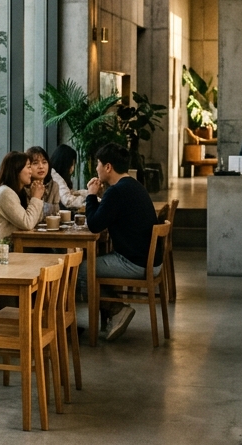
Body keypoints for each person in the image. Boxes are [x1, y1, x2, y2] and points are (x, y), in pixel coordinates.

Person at [79, 143, 160, 341]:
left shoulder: (116, 192)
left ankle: (116, 309)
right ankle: (114, 312)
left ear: (108, 167)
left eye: (98, 164)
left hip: (134, 263)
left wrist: (90, 195)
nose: (96, 168)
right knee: (93, 266)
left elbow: (95, 225)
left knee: (80, 270)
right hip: (150, 261)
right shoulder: (133, 185)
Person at [0, 151, 45, 250]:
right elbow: (27, 223)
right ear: (17, 169)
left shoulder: (19, 192)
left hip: (8, 247)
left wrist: (36, 196)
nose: (31, 171)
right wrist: (36, 198)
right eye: (28, 167)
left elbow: (36, 220)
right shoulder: (5, 193)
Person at [48, 144, 88, 210]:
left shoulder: (54, 174)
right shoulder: (55, 177)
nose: (73, 168)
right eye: (72, 164)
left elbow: (68, 192)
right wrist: (91, 199)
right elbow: (68, 200)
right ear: (66, 164)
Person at [26, 146, 56, 214]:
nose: (41, 166)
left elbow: (56, 211)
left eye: (44, 162)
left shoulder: (54, 185)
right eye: (35, 163)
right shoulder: (23, 187)